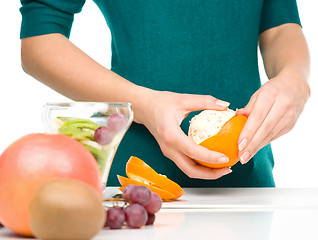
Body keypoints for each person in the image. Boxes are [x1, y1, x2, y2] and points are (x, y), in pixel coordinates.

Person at [19, 0, 310, 187]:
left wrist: (294, 79)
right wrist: (144, 104)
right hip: (135, 184)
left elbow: (281, 26)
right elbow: (40, 39)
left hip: (247, 183)